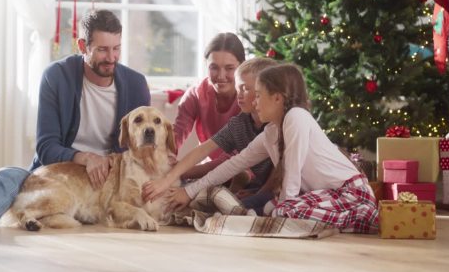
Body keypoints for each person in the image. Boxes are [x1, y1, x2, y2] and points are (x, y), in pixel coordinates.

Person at [0, 10, 150, 234]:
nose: (111, 58)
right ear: (83, 45)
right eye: (102, 50)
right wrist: (86, 158)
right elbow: (46, 147)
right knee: (9, 176)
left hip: (108, 183)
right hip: (62, 172)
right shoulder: (57, 76)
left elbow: (141, 151)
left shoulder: (135, 84)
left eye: (116, 49)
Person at [167, 64, 379, 233]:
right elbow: (234, 164)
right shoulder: (270, 133)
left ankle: (265, 216)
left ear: (277, 98)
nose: (255, 102)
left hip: (352, 194)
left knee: (286, 207)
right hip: (319, 196)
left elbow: (292, 175)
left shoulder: (296, 117)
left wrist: (283, 212)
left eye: (258, 95)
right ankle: (265, 214)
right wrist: (189, 191)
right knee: (282, 206)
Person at [142, 57, 278, 210]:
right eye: (238, 87)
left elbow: (280, 173)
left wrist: (258, 193)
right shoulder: (239, 123)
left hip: (276, 188)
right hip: (256, 184)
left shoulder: (277, 125)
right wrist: (168, 179)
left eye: (246, 89)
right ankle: (240, 186)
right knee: (205, 202)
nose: (239, 94)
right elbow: (203, 150)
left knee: (240, 208)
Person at [173, 32, 244, 179]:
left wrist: (182, 172)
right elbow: (175, 136)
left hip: (242, 172)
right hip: (205, 172)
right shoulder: (196, 94)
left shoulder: (249, 99)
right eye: (214, 67)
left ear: (242, 66)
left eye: (229, 68)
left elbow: (238, 158)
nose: (221, 75)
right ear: (206, 65)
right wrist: (165, 162)